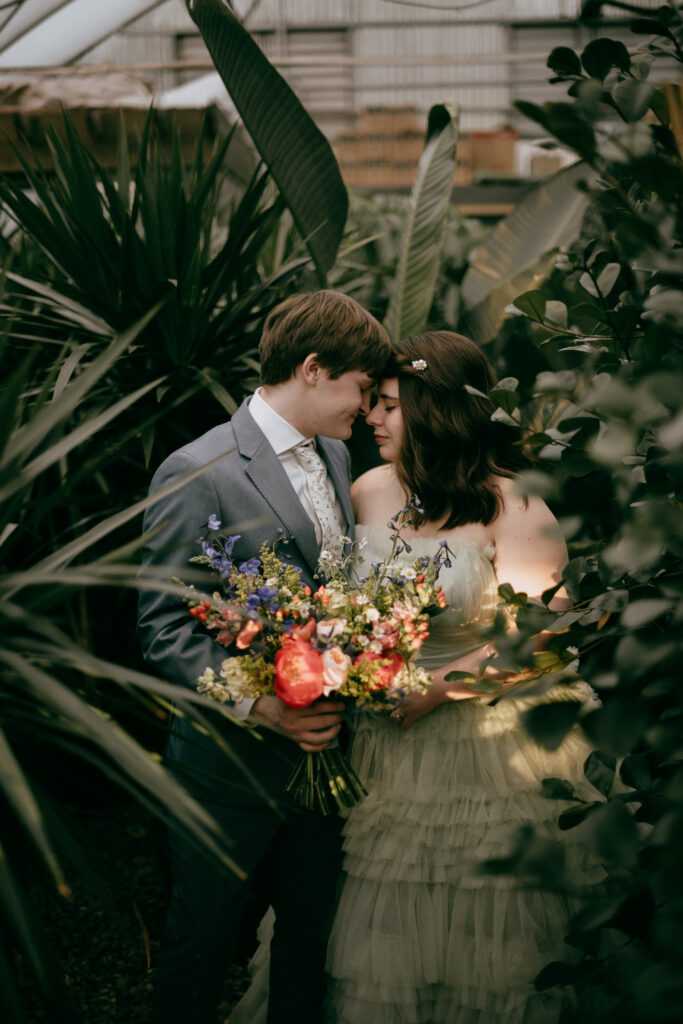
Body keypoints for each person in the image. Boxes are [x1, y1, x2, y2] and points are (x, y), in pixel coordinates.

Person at [324, 331, 605, 1023]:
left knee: (488, 923)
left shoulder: (515, 506)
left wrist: (438, 688)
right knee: (386, 912)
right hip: (385, 741)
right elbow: (346, 600)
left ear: (436, 409)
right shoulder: (367, 491)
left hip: (489, 742)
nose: (372, 417)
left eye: (389, 404)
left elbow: (539, 637)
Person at [137, 290, 391, 1024]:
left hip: (325, 765)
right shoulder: (199, 469)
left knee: (308, 948)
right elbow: (161, 626)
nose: (365, 407)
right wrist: (262, 705)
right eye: (359, 388)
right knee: (201, 945)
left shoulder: (339, 455)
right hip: (228, 767)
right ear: (314, 369)